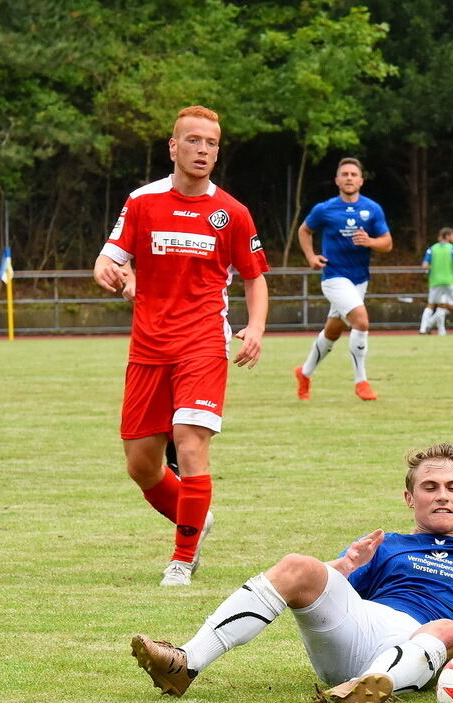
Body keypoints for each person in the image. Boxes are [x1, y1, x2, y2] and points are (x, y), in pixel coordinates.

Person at [130, 443, 453, 703]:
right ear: (409, 498)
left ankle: (369, 689)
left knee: (449, 628)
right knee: (299, 566)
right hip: (364, 629)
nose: (442, 494)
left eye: (452, 487)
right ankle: (184, 664)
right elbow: (320, 595)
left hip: (423, 651)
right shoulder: (385, 544)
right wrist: (344, 566)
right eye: (429, 486)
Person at [93, 105, 270, 587]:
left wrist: (254, 328)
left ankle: (181, 558)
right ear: (173, 147)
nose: (203, 151)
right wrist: (111, 272)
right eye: (193, 141)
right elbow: (108, 259)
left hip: (203, 344)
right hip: (148, 349)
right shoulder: (142, 202)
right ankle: (195, 517)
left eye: (211, 144)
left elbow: (255, 279)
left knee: (190, 443)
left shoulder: (231, 213)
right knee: (141, 464)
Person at [293, 158, 392, 401]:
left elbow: (387, 244)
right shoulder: (325, 209)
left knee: (333, 331)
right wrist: (310, 257)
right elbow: (304, 230)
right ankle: (361, 382)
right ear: (337, 180)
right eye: (344, 174)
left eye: (353, 174)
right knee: (361, 321)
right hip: (334, 277)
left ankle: (304, 373)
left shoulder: (372, 209)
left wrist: (370, 242)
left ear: (361, 180)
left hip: (360, 280)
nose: (349, 178)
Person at [418, 227, 453, 335]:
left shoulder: (432, 249)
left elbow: (424, 266)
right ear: (448, 236)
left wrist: (431, 272)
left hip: (435, 282)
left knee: (430, 306)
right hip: (451, 281)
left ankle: (423, 329)